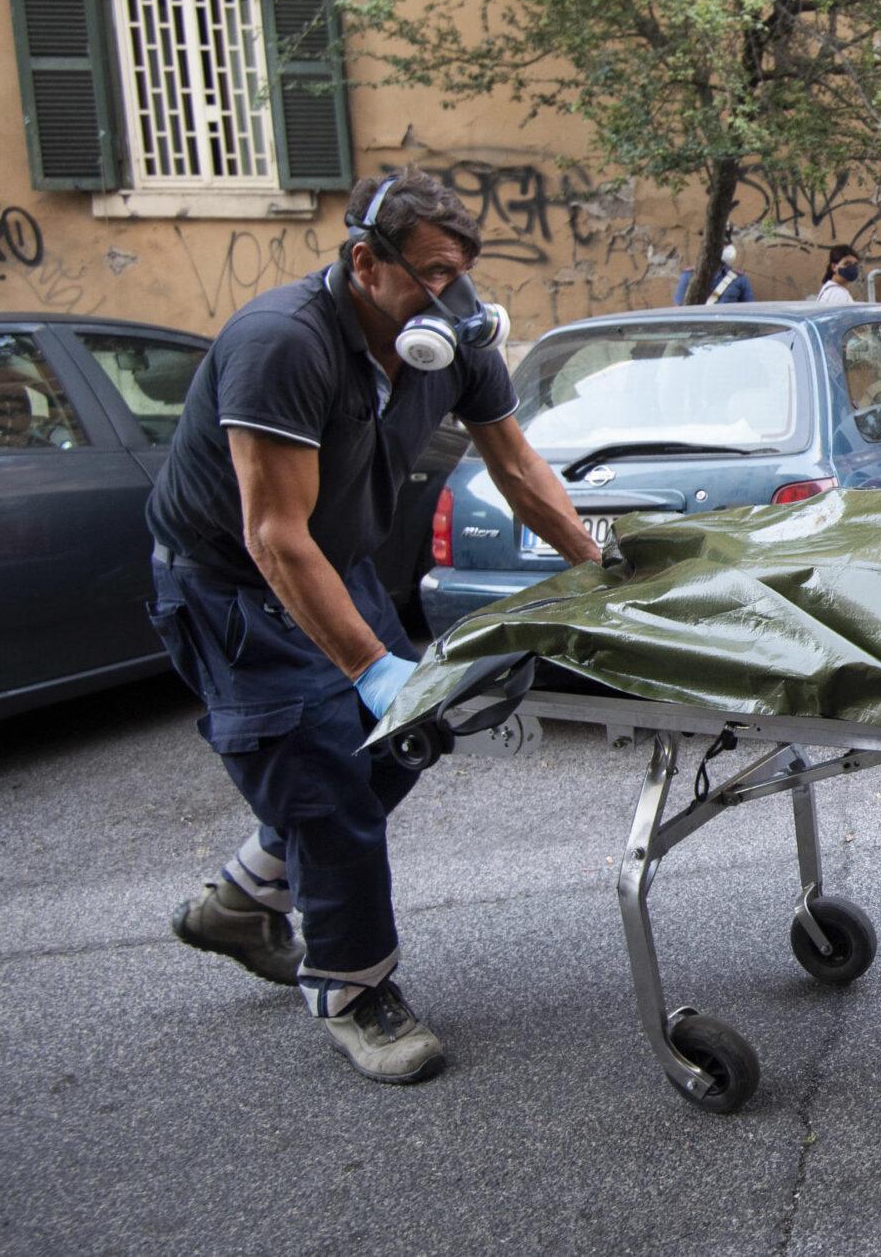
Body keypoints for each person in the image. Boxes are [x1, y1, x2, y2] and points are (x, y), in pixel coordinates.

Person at [150, 169, 604, 1085]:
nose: (456, 295)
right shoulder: (282, 344)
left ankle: (243, 901)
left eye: (463, 271)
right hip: (235, 584)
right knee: (323, 779)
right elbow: (274, 535)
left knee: (408, 736)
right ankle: (353, 990)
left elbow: (518, 468)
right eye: (434, 273)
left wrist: (601, 570)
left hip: (337, 567)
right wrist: (367, 669)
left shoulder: (453, 344)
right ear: (366, 261)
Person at [675, 241, 756, 305]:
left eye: (728, 244)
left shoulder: (740, 279)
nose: (729, 248)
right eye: (723, 244)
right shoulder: (689, 276)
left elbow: (748, 310)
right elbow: (680, 312)